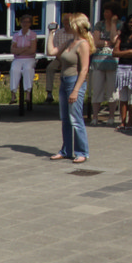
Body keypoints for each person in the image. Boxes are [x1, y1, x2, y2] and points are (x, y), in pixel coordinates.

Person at [48, 13, 93, 163]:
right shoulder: (69, 42)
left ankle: (82, 152)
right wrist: (51, 33)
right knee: (65, 119)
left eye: (70, 24)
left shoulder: (83, 44)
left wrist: (76, 90)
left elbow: (84, 70)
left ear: (77, 26)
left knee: (76, 118)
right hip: (64, 80)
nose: (67, 26)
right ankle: (66, 150)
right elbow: (51, 52)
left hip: (75, 82)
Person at [91, 6, 121, 124]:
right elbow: (95, 42)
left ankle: (111, 117)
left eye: (107, 11)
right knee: (97, 89)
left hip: (113, 62)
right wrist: (108, 43)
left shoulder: (120, 25)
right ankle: (95, 117)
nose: (105, 13)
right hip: (98, 62)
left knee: (112, 90)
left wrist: (113, 24)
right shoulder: (99, 25)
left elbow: (115, 40)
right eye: (104, 11)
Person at [10, 13, 39, 115]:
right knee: (14, 70)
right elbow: (12, 50)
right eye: (23, 22)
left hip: (29, 58)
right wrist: (26, 49)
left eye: (27, 22)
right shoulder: (16, 35)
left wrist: (19, 50)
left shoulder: (32, 35)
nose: (25, 24)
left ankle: (28, 93)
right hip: (18, 59)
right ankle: (13, 94)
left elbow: (32, 50)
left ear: (30, 23)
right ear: (20, 23)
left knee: (28, 69)